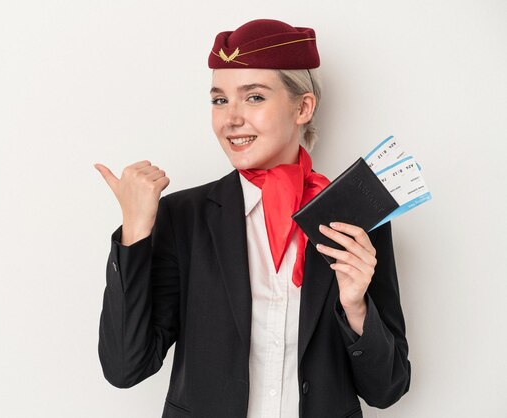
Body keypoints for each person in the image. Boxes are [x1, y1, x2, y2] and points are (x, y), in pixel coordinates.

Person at [95, 19, 410, 418]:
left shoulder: (357, 218)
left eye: (254, 97)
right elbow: (126, 367)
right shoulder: (182, 217)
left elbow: (388, 388)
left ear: (303, 106)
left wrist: (356, 306)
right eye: (220, 100)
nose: (231, 119)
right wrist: (135, 232)